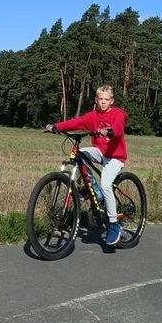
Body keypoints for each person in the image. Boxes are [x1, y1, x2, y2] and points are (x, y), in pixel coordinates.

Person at [46, 85, 127, 246]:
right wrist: (56, 127)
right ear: (96, 100)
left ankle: (113, 225)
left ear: (111, 101)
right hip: (100, 151)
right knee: (80, 153)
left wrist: (110, 131)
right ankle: (91, 189)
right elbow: (76, 122)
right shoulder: (93, 115)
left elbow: (117, 128)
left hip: (115, 157)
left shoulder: (117, 114)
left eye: (106, 100)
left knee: (106, 185)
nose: (103, 102)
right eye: (100, 99)